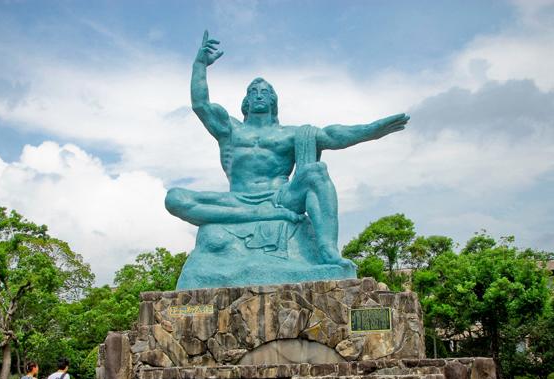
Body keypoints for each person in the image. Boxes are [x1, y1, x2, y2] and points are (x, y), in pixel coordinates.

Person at [165, 30, 409, 269]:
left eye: (265, 92)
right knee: (174, 197)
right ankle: (259, 215)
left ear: (273, 101)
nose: (259, 95)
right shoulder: (230, 129)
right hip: (236, 198)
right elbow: (201, 104)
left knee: (316, 172)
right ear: (246, 102)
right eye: (253, 92)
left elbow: (333, 135)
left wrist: (372, 130)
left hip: (280, 198)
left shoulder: (292, 134)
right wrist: (199, 65)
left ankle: (328, 251)